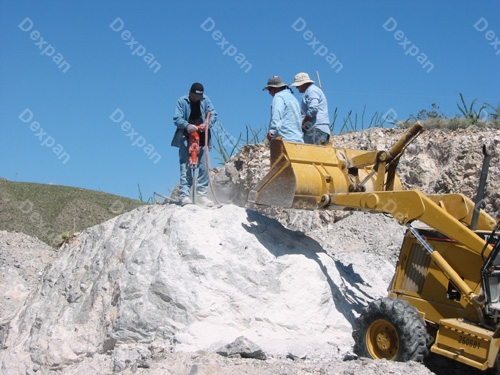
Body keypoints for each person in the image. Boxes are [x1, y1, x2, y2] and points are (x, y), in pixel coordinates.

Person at [171, 82, 218, 207]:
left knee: (204, 167)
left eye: (199, 98)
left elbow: (213, 114)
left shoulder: (206, 100)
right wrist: (187, 126)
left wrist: (207, 124)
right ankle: (185, 195)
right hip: (186, 138)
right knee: (185, 166)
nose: (197, 100)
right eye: (195, 97)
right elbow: (177, 118)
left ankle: (201, 195)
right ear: (190, 92)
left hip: (203, 138)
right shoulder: (182, 101)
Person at [290, 72, 331, 145]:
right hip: (321, 129)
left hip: (315, 129)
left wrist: (304, 124)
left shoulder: (311, 91)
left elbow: (313, 109)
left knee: (312, 154)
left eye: (298, 85)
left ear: (303, 84)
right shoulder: (314, 90)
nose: (297, 87)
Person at [262, 76, 303, 143]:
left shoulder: (278, 97)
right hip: (297, 139)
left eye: (270, 90)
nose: (269, 93)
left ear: (276, 88)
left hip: (284, 138)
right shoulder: (293, 99)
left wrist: (272, 131)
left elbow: (277, 114)